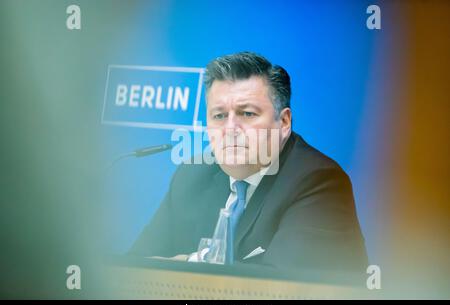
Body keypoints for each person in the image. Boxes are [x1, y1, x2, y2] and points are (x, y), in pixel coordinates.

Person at [129, 52, 368, 273]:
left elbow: (278, 290)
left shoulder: (318, 182)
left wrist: (191, 261)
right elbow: (135, 269)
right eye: (219, 116)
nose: (230, 129)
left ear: (283, 122)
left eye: (247, 114)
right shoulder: (192, 176)